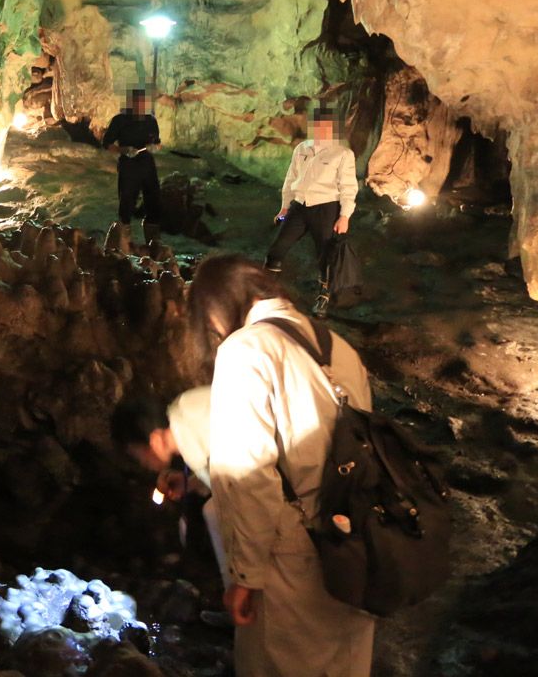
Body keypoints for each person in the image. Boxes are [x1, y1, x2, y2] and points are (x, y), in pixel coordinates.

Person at [187, 253, 376, 677]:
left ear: (217, 308)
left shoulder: (246, 351)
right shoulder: (336, 345)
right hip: (356, 543)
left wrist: (246, 576)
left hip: (293, 556)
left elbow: (248, 476)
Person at [111, 389, 229, 589]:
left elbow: (243, 481)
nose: (142, 464)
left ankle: (246, 594)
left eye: (137, 455)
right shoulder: (184, 415)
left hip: (283, 492)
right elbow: (223, 470)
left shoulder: (201, 425)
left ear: (155, 440)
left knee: (220, 513)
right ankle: (236, 591)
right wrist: (191, 483)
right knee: (212, 511)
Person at [267, 104, 357, 316]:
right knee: (277, 249)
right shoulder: (302, 149)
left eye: (326, 126)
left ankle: (323, 298)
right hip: (299, 206)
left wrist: (344, 216)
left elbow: (348, 187)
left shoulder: (342, 154)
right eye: (318, 125)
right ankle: (266, 292)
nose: (321, 129)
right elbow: (290, 179)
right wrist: (284, 207)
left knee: (325, 255)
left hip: (326, 208)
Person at [102, 89, 162, 242]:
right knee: (127, 202)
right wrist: (122, 150)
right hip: (128, 165)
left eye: (143, 104)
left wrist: (155, 147)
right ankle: (124, 241)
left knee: (154, 201)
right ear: (130, 103)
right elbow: (107, 143)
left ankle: (152, 241)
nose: (141, 107)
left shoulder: (150, 120)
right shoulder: (120, 120)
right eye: (137, 103)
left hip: (147, 165)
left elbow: (157, 142)